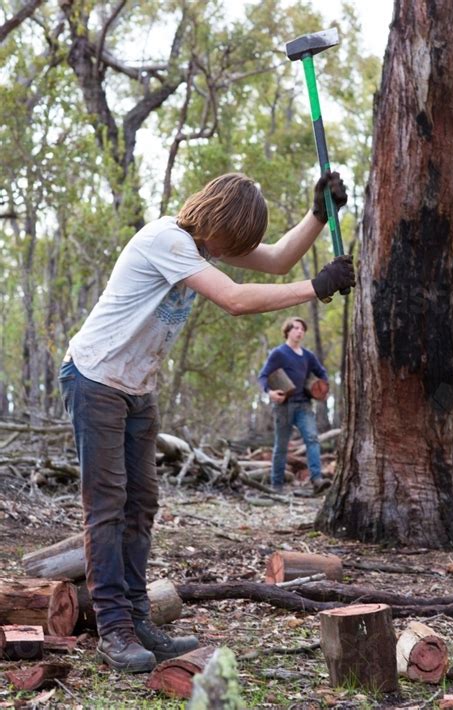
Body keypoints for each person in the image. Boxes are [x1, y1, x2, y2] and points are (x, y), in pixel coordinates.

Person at [58, 170, 355, 673]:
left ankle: (137, 617)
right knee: (107, 506)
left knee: (141, 504)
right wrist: (318, 286)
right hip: (96, 380)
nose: (229, 251)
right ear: (216, 220)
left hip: (137, 388)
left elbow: (279, 256)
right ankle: (114, 630)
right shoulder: (167, 240)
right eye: (231, 240)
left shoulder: (202, 247)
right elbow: (236, 300)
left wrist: (319, 215)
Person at [258, 317, 331, 495]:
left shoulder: (308, 355)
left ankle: (316, 479)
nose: (299, 331)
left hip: (304, 405)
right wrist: (270, 392)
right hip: (284, 406)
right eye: (296, 328)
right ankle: (276, 485)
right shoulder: (279, 353)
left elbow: (321, 372)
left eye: (302, 329)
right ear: (287, 331)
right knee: (281, 445)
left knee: (312, 439)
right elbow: (263, 376)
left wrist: (323, 387)